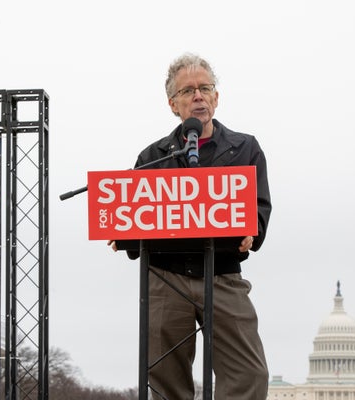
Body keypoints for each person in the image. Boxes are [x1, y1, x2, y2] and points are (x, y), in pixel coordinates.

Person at [109, 53, 271, 399]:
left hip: (223, 275)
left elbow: (259, 206)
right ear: (173, 104)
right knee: (165, 379)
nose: (198, 96)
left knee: (249, 373)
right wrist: (122, 236)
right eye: (188, 91)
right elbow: (134, 216)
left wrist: (252, 229)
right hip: (166, 279)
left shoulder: (245, 148)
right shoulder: (152, 158)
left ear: (216, 97)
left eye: (205, 88)